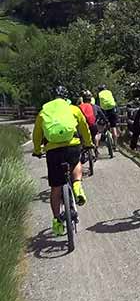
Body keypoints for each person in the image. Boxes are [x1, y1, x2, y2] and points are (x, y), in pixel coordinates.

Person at [32, 85, 93, 236]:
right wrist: (88, 143)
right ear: (66, 97)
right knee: (76, 163)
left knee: (56, 188)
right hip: (72, 146)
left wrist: (37, 150)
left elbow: (37, 133)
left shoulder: (44, 111)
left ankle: (57, 221)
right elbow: (84, 127)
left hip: (52, 150)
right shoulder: (73, 109)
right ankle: (77, 185)